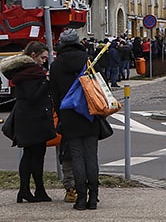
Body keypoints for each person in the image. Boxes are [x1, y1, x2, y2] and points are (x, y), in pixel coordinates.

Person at [50, 28, 102, 210]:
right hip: (90, 114)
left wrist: (61, 114)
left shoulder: (56, 65)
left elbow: (54, 95)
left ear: (62, 44)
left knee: (77, 157)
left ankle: (81, 199)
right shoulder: (88, 61)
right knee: (91, 156)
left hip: (69, 115)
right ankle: (94, 198)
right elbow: (99, 86)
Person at [2, 45, 55, 203]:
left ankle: (26, 190)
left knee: (29, 155)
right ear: (33, 55)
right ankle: (35, 190)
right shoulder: (31, 73)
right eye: (42, 57)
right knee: (36, 156)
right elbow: (33, 96)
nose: (44, 61)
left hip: (27, 118)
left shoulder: (23, 71)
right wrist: (46, 82)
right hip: (34, 118)